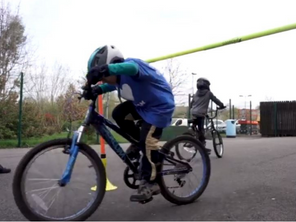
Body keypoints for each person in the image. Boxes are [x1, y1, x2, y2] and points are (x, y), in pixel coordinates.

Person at [83, 45, 175, 202]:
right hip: (143, 105)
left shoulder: (134, 65)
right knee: (118, 114)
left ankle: (150, 183)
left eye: (104, 76)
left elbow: (130, 68)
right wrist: (98, 90)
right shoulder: (118, 79)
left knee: (147, 141)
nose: (103, 80)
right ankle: (140, 145)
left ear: (114, 66)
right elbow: (112, 85)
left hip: (159, 107)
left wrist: (105, 69)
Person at [190, 77, 225, 153]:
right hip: (200, 114)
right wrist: (221, 105)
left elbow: (191, 104)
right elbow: (216, 100)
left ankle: (192, 138)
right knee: (201, 130)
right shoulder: (208, 93)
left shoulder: (196, 93)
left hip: (193, 112)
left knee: (196, 128)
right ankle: (202, 147)